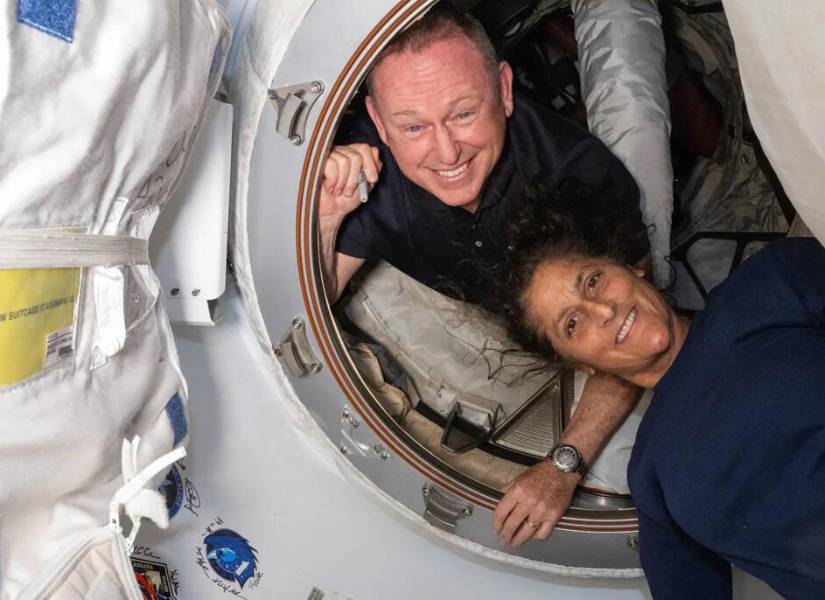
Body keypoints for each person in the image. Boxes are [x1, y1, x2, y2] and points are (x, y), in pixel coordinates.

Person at [319, 2, 651, 540]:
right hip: (478, 306)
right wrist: (330, 215)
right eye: (412, 126)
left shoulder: (579, 176)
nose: (445, 150)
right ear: (379, 121)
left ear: (503, 88)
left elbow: (636, 328)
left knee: (635, 114)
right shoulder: (367, 170)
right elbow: (316, 295)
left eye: (463, 114)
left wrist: (562, 465)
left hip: (575, 298)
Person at [494, 181, 825, 598]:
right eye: (572, 324)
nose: (603, 311)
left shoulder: (770, 282)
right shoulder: (651, 479)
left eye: (593, 281)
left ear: (631, 267)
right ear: (582, 365)